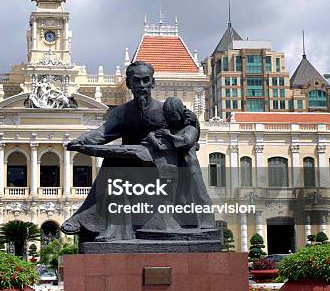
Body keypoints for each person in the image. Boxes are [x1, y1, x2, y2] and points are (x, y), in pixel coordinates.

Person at [61, 61, 166, 240]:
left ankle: (86, 219)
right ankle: (111, 229)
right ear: (128, 84)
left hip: (160, 169)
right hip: (130, 168)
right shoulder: (123, 112)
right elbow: (102, 133)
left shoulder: (165, 110)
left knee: (116, 165)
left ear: (153, 83)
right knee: (113, 163)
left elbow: (188, 131)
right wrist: (80, 141)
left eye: (145, 80)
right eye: (136, 81)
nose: (141, 86)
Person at [143, 96, 215, 229]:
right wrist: (153, 137)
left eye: (174, 115)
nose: (172, 119)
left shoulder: (190, 129)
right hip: (175, 168)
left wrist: (168, 136)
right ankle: (184, 222)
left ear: (181, 113)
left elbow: (186, 141)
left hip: (189, 167)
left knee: (199, 195)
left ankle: (207, 221)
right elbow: (154, 138)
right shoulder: (169, 130)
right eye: (169, 116)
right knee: (181, 198)